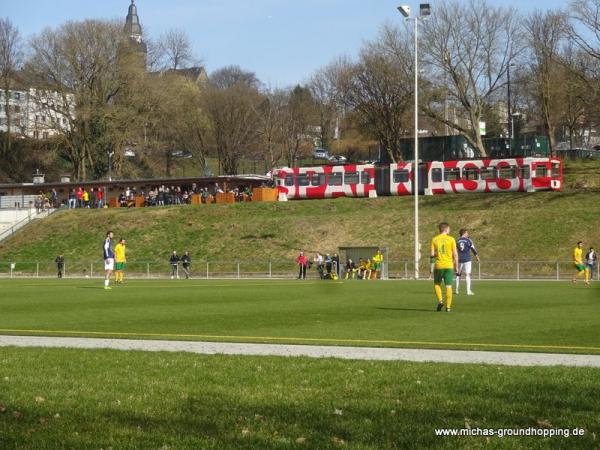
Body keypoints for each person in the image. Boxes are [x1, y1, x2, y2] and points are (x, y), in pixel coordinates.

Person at [431, 222, 458, 312]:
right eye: (449, 229)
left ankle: (440, 301)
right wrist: (456, 266)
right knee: (448, 286)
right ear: (446, 229)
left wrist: (431, 267)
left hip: (439, 265)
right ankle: (448, 307)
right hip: (449, 266)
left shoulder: (434, 239)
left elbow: (432, 254)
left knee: (437, 284)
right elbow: (455, 254)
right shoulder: (451, 239)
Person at [455, 229, 480, 295]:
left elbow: (454, 251)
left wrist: (454, 259)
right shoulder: (468, 240)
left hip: (459, 259)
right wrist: (477, 257)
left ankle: (457, 290)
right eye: (467, 233)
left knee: (458, 275)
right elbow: (473, 249)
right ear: (464, 233)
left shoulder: (457, 241)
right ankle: (468, 291)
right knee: (467, 274)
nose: (468, 234)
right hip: (467, 259)